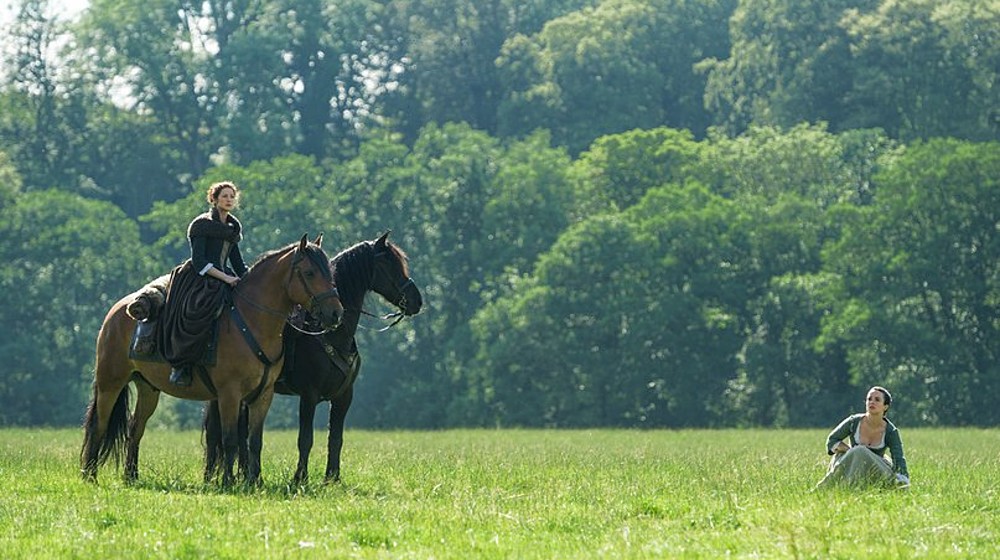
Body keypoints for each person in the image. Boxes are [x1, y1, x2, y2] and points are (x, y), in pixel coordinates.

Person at [162, 181, 249, 386]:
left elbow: (238, 264)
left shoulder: (232, 229)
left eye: (232, 196)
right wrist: (226, 278)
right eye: (224, 196)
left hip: (224, 276)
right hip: (199, 277)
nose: (229, 200)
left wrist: (252, 281)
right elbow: (199, 261)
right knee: (195, 312)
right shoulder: (201, 225)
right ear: (214, 199)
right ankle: (182, 365)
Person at [816, 386, 910, 489]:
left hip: (875, 469)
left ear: (885, 407)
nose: (872, 402)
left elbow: (899, 458)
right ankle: (825, 488)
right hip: (851, 465)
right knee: (858, 451)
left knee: (861, 451)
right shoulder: (853, 422)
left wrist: (903, 480)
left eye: (877, 400)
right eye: (869, 399)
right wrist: (851, 451)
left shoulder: (891, 431)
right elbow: (831, 441)